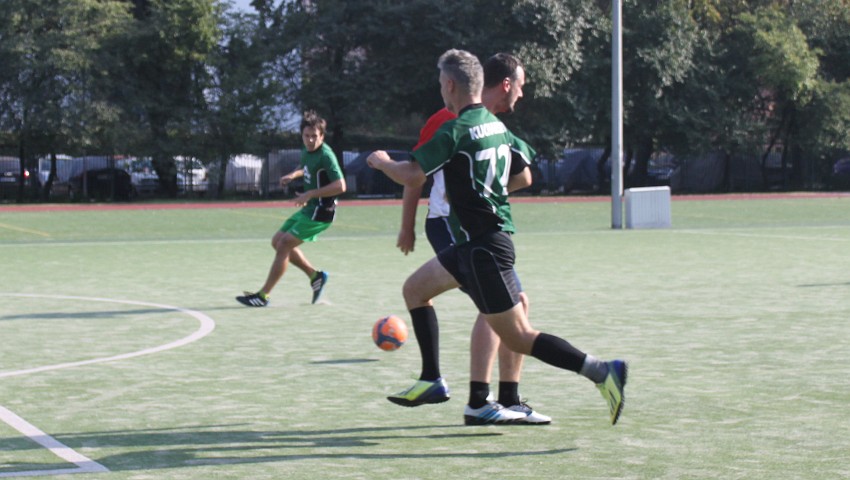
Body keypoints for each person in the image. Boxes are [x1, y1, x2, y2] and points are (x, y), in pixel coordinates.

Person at [367, 49, 627, 426]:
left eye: (440, 84)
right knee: (415, 290)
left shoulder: (454, 130)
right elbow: (523, 174)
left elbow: (411, 175)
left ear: (450, 85)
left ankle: (602, 371)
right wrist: (484, 191)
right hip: (473, 246)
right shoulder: (496, 127)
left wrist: (379, 162)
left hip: (484, 250)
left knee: (519, 335)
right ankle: (433, 379)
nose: (440, 90)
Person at [395, 53, 550, 425]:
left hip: (477, 228)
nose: (523, 94)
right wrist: (407, 225)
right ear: (505, 84)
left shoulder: (490, 124)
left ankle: (507, 399)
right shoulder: (447, 120)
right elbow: (414, 173)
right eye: (521, 85)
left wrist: (483, 193)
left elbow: (524, 176)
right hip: (448, 225)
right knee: (494, 306)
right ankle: (478, 401)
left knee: (515, 303)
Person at [237, 110, 346, 307]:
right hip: (309, 208)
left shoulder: (326, 156)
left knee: (284, 244)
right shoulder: (307, 150)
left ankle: (263, 296)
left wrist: (310, 194)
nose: (310, 140)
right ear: (302, 135)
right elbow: (304, 167)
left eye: (314, 136)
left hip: (321, 212)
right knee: (277, 241)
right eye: (307, 136)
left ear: (322, 136)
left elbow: (341, 186)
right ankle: (315, 276)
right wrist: (292, 175)